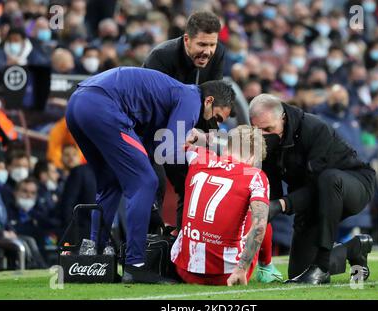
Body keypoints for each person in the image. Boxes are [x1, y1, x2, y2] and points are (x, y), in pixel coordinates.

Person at [65, 66, 235, 284]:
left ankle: (94, 256)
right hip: (102, 105)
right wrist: (206, 158)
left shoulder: (174, 95)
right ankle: (136, 265)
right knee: (145, 182)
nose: (216, 124)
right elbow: (169, 151)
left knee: (111, 185)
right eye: (218, 117)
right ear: (209, 101)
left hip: (78, 104)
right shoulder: (192, 98)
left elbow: (155, 148)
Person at [249, 94, 376, 285]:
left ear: (282, 118)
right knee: (298, 272)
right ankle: (354, 248)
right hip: (311, 199)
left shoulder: (315, 128)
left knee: (329, 178)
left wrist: (282, 205)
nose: (264, 135)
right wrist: (266, 207)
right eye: (258, 130)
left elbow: (318, 185)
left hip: (353, 184)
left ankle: (322, 267)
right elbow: (272, 190)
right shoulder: (266, 142)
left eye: (268, 129)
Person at [143, 11, 225, 229]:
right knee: (153, 185)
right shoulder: (161, 57)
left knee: (193, 183)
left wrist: (207, 134)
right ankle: (149, 248)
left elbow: (211, 98)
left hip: (190, 128)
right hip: (154, 130)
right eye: (202, 44)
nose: (208, 51)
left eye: (212, 45)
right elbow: (149, 106)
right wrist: (180, 134)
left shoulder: (218, 54)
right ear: (186, 39)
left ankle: (185, 243)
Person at [171, 125, 270, 286]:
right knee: (259, 213)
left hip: (184, 270)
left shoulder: (199, 157)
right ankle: (268, 266)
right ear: (252, 157)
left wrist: (198, 136)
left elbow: (182, 143)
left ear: (227, 148)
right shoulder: (255, 175)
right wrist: (241, 269)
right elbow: (259, 226)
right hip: (226, 275)